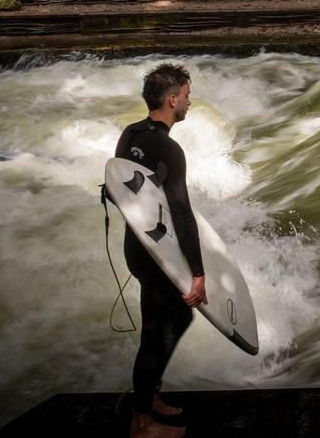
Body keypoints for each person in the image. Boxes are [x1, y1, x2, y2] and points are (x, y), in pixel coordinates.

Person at [114, 63, 206, 438]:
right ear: (171, 100)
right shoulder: (169, 147)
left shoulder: (130, 133)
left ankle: (148, 395)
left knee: (178, 320)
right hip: (156, 253)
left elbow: (120, 187)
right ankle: (141, 423)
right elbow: (182, 214)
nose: (188, 101)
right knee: (156, 331)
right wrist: (197, 273)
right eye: (185, 95)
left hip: (137, 247)